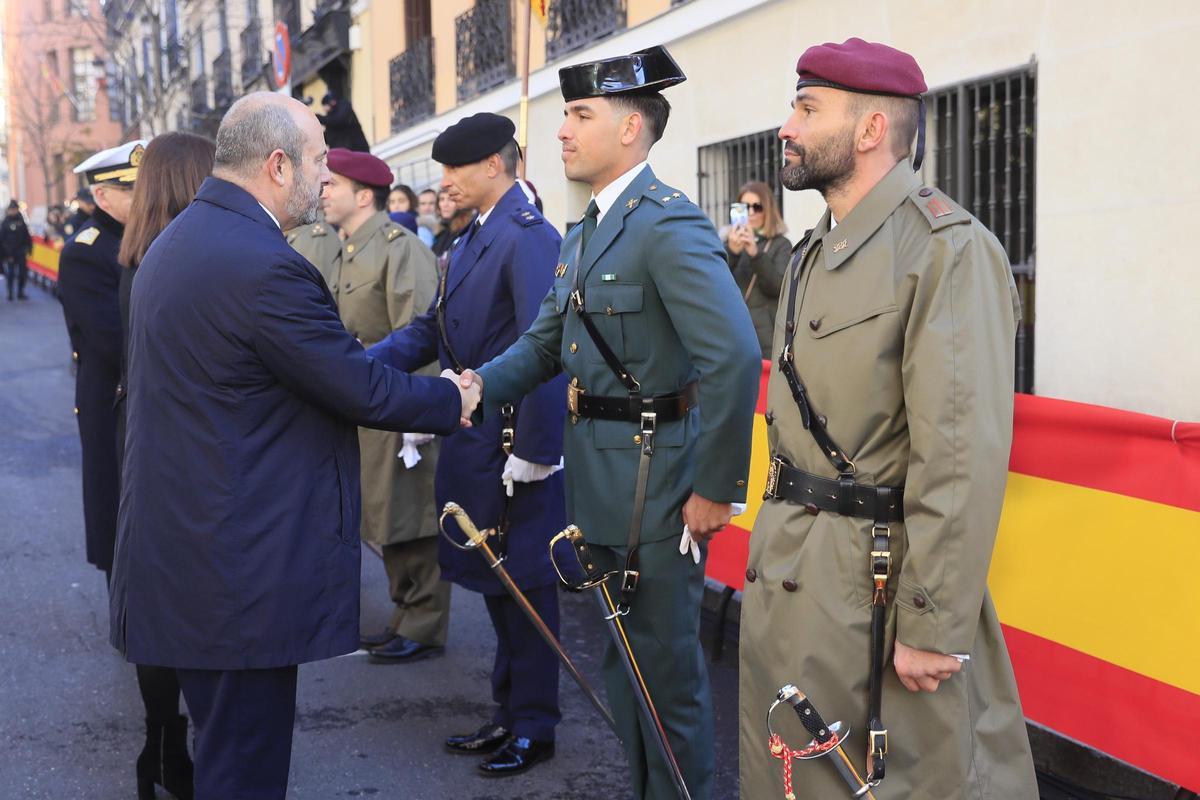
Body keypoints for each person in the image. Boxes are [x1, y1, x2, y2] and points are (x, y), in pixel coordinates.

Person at [107, 92, 479, 799]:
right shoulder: (261, 264)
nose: (324, 178)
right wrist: (455, 398)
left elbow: (317, 366)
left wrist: (414, 341)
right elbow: (356, 389)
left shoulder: (186, 240)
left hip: (191, 559)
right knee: (244, 770)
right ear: (277, 165)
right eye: (316, 161)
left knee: (226, 755)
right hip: (234, 578)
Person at [738, 38, 1038, 799]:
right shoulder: (810, 252)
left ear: (871, 130)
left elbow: (960, 455)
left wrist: (933, 624)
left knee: (888, 781)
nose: (786, 127)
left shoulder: (945, 251)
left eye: (807, 109)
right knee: (790, 775)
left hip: (872, 580)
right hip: (792, 570)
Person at [461, 46, 761, 799]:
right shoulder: (588, 229)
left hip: (659, 484)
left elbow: (731, 356)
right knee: (622, 666)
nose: (561, 130)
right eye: (566, 112)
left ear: (631, 128)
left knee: (666, 673)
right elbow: (542, 344)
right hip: (599, 478)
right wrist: (466, 391)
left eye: (580, 114)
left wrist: (715, 487)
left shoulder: (666, 224)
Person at [369, 112, 567, 776]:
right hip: (476, 441)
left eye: (454, 169)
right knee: (495, 584)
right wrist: (357, 367)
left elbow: (548, 346)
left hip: (514, 445)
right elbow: (429, 331)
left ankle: (535, 724)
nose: (444, 181)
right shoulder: (472, 238)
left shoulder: (527, 236)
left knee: (527, 586)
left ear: (493, 166)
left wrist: (537, 448)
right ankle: (509, 711)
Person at [302, 147, 450, 666]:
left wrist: (422, 420)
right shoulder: (343, 247)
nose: (322, 192)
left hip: (395, 408)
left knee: (411, 516)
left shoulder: (399, 248)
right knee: (384, 519)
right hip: (362, 407)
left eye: (332, 186)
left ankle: (424, 622)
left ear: (364, 196)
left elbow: (422, 335)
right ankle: (403, 613)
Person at [112, 131, 216, 800]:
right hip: (189, 450)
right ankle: (175, 752)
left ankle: (159, 745)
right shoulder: (188, 256)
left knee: (159, 604)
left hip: (144, 439)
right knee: (196, 608)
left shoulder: (137, 254)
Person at [57, 140, 146, 578]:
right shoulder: (85, 251)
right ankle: (125, 609)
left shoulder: (147, 239)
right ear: (102, 196)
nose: (143, 197)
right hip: (111, 395)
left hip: (140, 391)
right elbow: (116, 338)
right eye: (131, 189)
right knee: (116, 496)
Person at [724, 180, 790, 358]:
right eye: (745, 207)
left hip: (765, 338)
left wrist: (755, 254)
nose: (751, 213)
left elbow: (777, 286)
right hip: (733, 333)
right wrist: (731, 252)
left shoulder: (781, 245)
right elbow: (715, 285)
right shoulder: (728, 244)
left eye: (757, 207)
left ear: (767, 209)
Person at [1, 200, 33, 300]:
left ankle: (20, 292)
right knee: (10, 274)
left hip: (21, 251)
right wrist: (5, 255)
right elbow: (1, 239)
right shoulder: (5, 222)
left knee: (22, 273)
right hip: (9, 253)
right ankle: (10, 293)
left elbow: (27, 235)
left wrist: (29, 248)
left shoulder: (21, 220)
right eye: (11, 209)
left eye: (14, 209)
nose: (13, 211)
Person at [429, 189, 464, 257]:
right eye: (442, 199)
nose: (445, 204)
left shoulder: (464, 231)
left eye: (451, 199)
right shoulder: (442, 230)